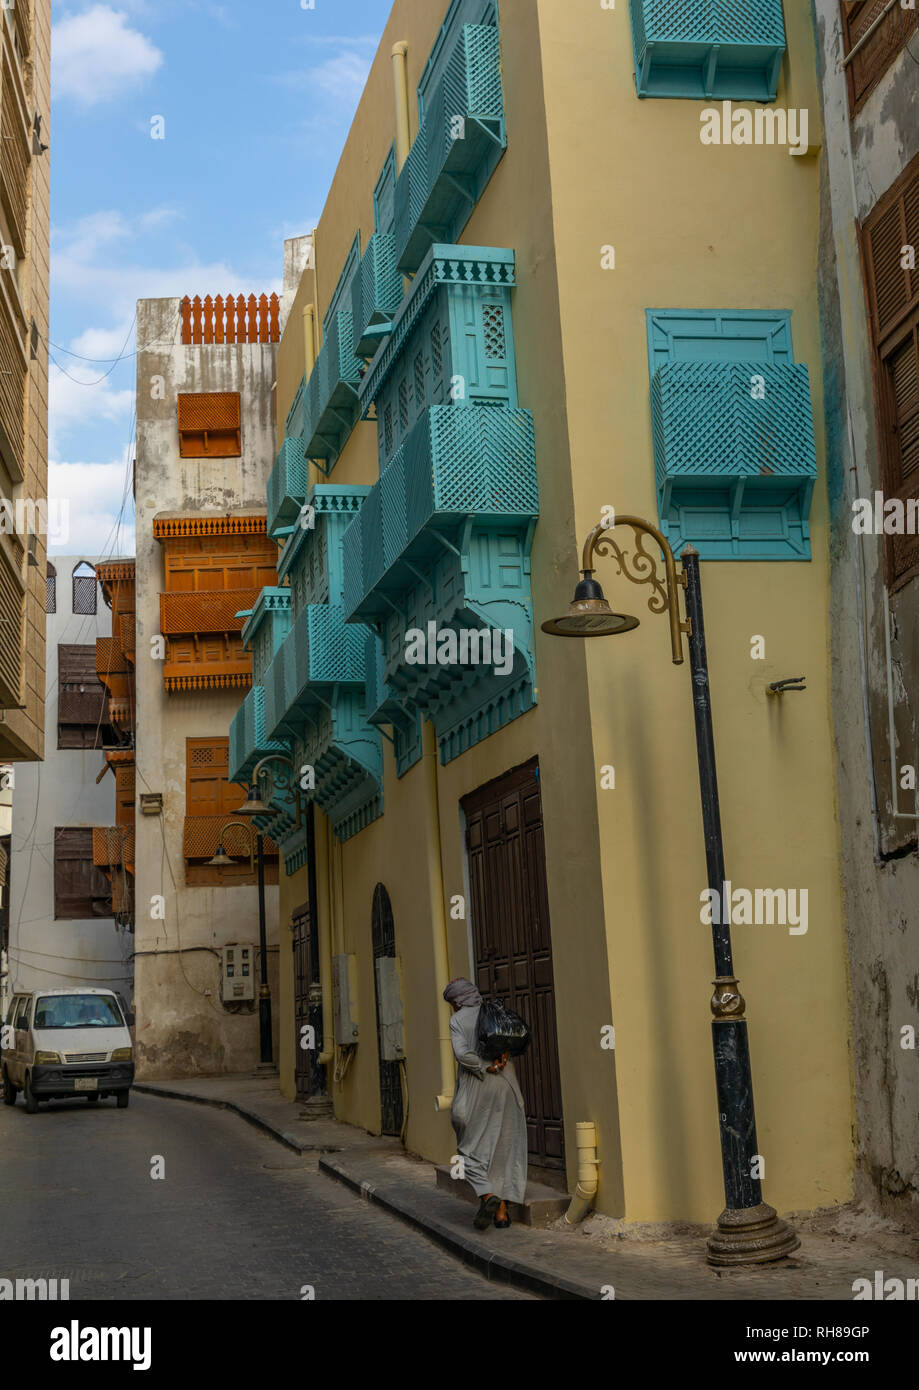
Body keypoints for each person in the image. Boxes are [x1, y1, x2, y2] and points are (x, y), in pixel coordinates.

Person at [444, 977, 527, 1230]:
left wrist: (484, 1066)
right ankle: (501, 1214)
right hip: (508, 1085)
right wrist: (501, 1059)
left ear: (458, 1000)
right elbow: (513, 1039)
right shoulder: (493, 1011)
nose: (453, 1008)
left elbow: (461, 1053)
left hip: (479, 1086)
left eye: (452, 1003)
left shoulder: (457, 1020)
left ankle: (489, 1197)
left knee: (470, 1148)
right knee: (502, 1147)